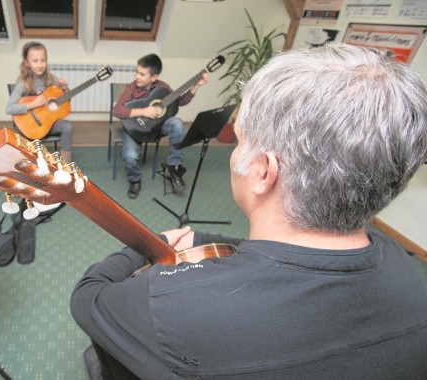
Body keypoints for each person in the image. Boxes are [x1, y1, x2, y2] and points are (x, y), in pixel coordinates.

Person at [70, 44, 427, 379]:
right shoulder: (407, 272)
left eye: (240, 140)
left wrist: (150, 244)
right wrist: (206, 239)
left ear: (263, 172)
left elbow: (88, 298)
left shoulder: (180, 307)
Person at [112, 53, 208, 199]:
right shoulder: (131, 88)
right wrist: (144, 111)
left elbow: (180, 101)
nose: (137, 76)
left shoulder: (163, 88)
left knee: (177, 123)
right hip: (134, 130)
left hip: (156, 127)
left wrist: (196, 86)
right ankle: (135, 181)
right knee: (130, 157)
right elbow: (117, 110)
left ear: (154, 77)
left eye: (142, 74)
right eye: (137, 72)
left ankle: (174, 167)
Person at [6, 41, 74, 163]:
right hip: (29, 127)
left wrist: (65, 89)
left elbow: (65, 101)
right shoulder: (23, 84)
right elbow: (9, 108)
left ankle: (66, 165)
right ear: (27, 63)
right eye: (35, 61)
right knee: (25, 151)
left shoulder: (51, 78)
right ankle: (29, 165)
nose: (40, 65)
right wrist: (33, 104)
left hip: (47, 123)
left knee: (67, 127)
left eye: (43, 60)